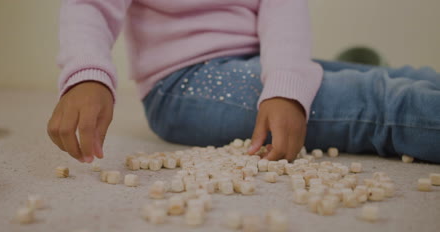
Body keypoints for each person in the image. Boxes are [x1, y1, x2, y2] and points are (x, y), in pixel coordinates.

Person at [47, 0, 440, 164]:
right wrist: (88, 74)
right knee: (375, 101)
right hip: (184, 83)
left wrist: (286, 81)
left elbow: (282, 8)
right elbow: (89, 5)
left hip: (258, 62)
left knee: (394, 78)